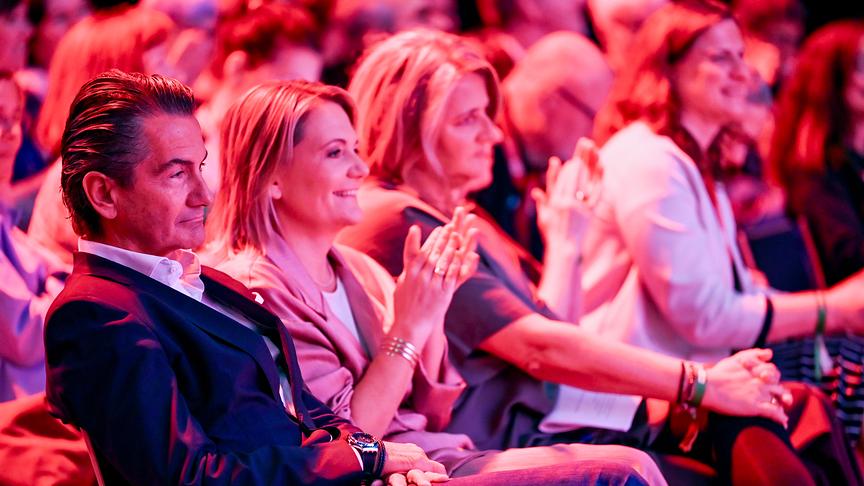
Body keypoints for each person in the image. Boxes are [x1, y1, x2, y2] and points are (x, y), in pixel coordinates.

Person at [336, 28, 836, 484]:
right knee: (750, 414)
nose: (493, 134)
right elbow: (543, 350)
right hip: (511, 443)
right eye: (469, 120)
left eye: (489, 115)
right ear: (404, 126)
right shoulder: (400, 220)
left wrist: (567, 239)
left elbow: (552, 327)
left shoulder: (459, 216)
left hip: (564, 417)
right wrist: (699, 382)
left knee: (792, 406)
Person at [206, 79, 665, 485]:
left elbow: (433, 408)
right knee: (620, 472)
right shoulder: (256, 290)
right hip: (394, 471)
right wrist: (408, 329)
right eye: (334, 153)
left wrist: (433, 309)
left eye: (357, 149)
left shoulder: (355, 268)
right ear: (272, 179)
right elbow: (347, 440)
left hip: (437, 455)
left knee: (639, 459)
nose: (359, 169)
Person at [43, 69, 448, 485]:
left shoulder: (208, 282)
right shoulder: (95, 313)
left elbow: (304, 408)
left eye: (200, 168)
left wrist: (373, 455)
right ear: (104, 195)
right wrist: (360, 461)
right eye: (176, 173)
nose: (203, 195)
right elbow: (188, 478)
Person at [580, 0, 864, 464]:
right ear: (666, 69)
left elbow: (733, 292)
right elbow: (703, 315)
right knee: (810, 392)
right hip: (629, 399)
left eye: (740, 54)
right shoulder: (647, 158)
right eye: (721, 57)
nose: (742, 72)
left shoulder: (690, 160)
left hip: (691, 380)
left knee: (820, 393)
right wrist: (829, 309)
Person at [768, 20, 864, 442]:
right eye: (862, 66)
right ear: (833, 84)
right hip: (840, 324)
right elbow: (848, 259)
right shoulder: (815, 171)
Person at [0, 72, 66, 402]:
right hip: (15, 428)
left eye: (14, 119)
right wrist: (66, 285)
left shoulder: (6, 221)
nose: (11, 134)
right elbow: (26, 334)